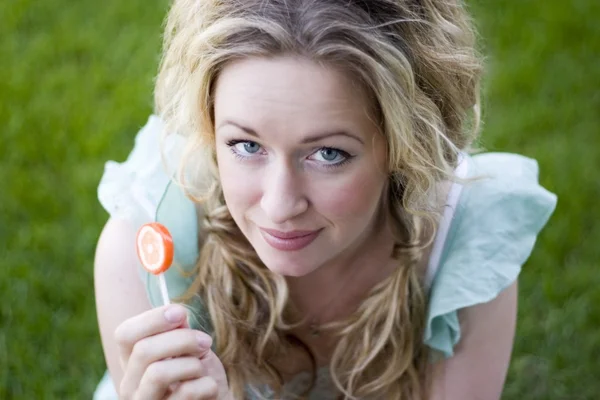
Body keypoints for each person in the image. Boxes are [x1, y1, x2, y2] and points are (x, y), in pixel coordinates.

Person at [93, 0, 557, 399]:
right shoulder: (146, 254)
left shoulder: (465, 252)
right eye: (246, 146)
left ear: (404, 147)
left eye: (328, 154)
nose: (279, 206)